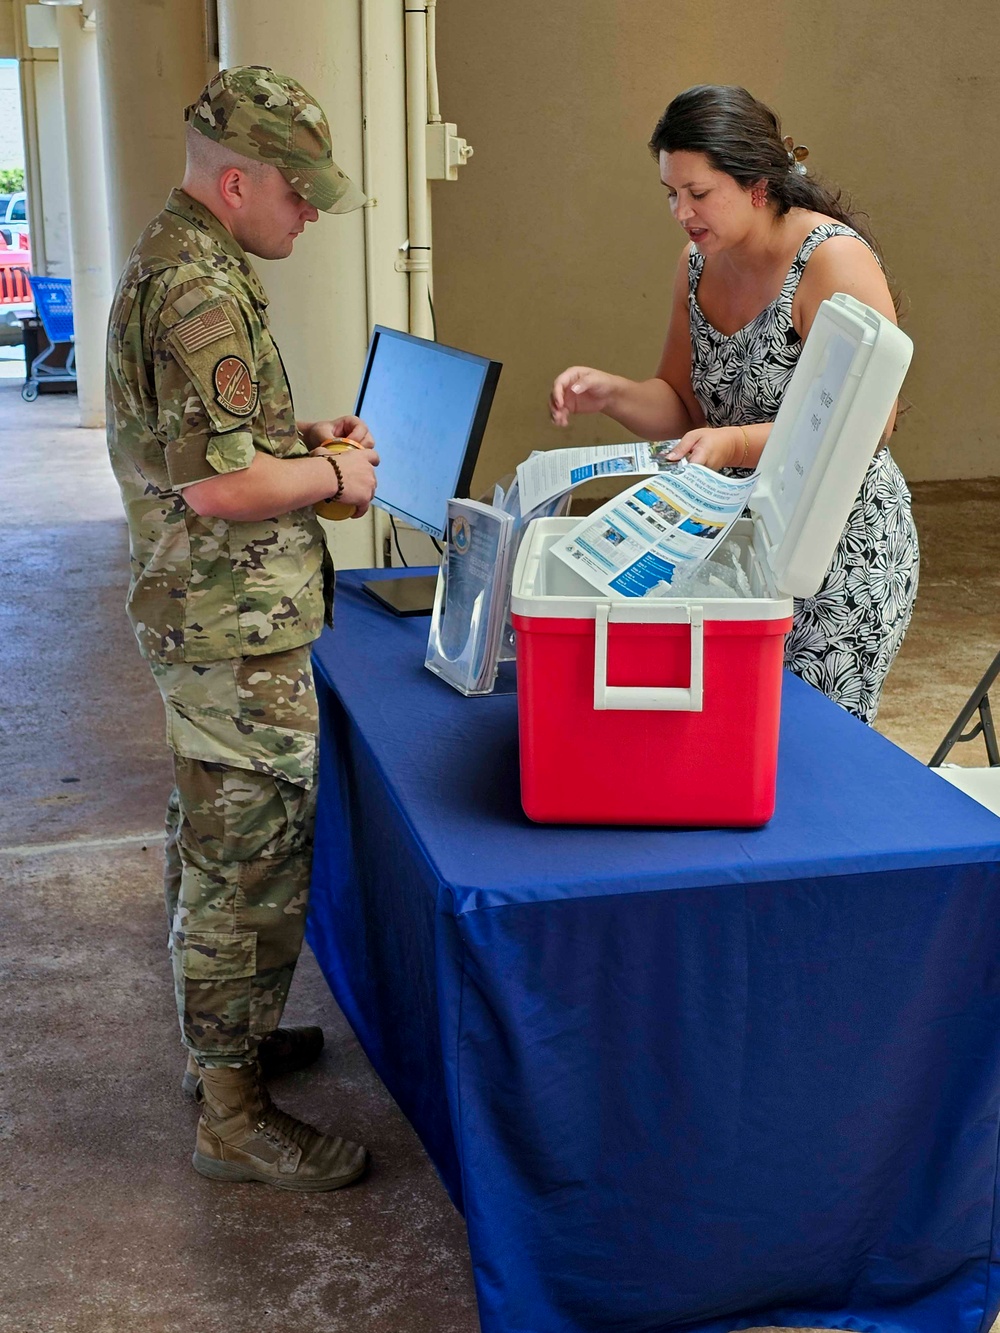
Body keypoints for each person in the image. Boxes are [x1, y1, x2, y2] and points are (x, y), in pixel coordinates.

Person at [105, 66, 379, 1191]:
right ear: (235, 182)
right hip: (226, 626)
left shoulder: (193, 261)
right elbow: (218, 492)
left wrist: (294, 431)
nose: (309, 214)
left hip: (217, 617)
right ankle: (231, 1112)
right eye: (299, 196)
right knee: (242, 870)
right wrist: (334, 475)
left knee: (220, 847)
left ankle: (230, 1047)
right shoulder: (199, 292)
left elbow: (205, 446)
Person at [550, 84, 919, 723]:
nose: (681, 212)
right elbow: (684, 408)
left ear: (756, 185)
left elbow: (872, 425)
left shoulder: (829, 260)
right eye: (670, 193)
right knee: (730, 736)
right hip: (741, 536)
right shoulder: (698, 262)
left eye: (698, 193)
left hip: (840, 546)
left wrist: (735, 444)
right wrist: (610, 393)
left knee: (808, 745)